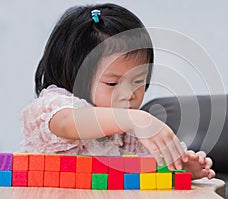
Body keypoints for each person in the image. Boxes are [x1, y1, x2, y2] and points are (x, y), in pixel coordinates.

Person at [21, 3, 215, 180]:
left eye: (138, 81)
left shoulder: (130, 135)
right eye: (112, 83)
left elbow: (148, 173)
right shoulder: (54, 106)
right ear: (74, 75)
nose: (128, 94)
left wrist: (179, 168)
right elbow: (67, 123)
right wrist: (137, 119)